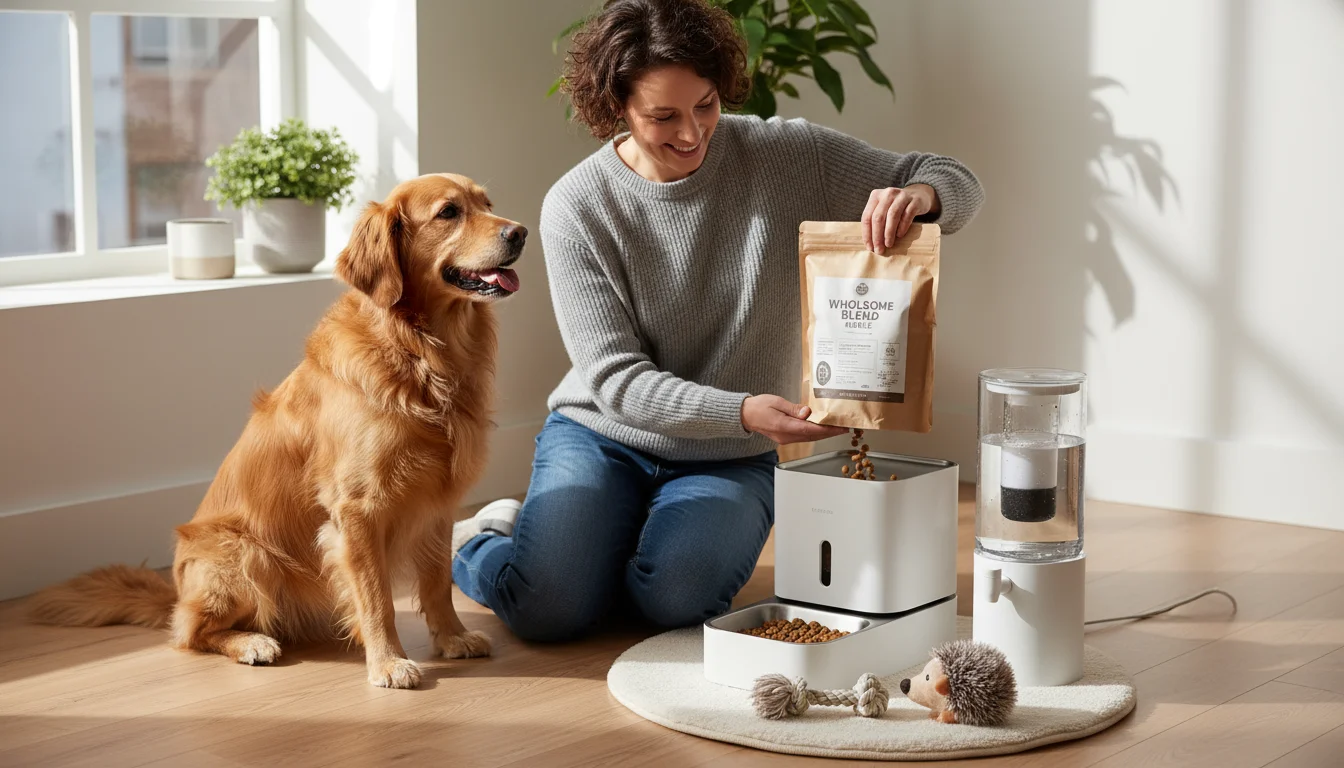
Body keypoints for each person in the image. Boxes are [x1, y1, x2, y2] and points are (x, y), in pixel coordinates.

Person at [451, 0, 983, 642]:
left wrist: (920, 197)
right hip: (604, 434)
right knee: (549, 609)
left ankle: (601, 555)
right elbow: (617, 381)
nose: (691, 133)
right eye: (663, 116)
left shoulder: (789, 154)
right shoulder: (577, 205)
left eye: (705, 105)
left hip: (729, 454)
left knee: (676, 601)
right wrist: (743, 411)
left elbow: (955, 179)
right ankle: (482, 539)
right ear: (616, 106)